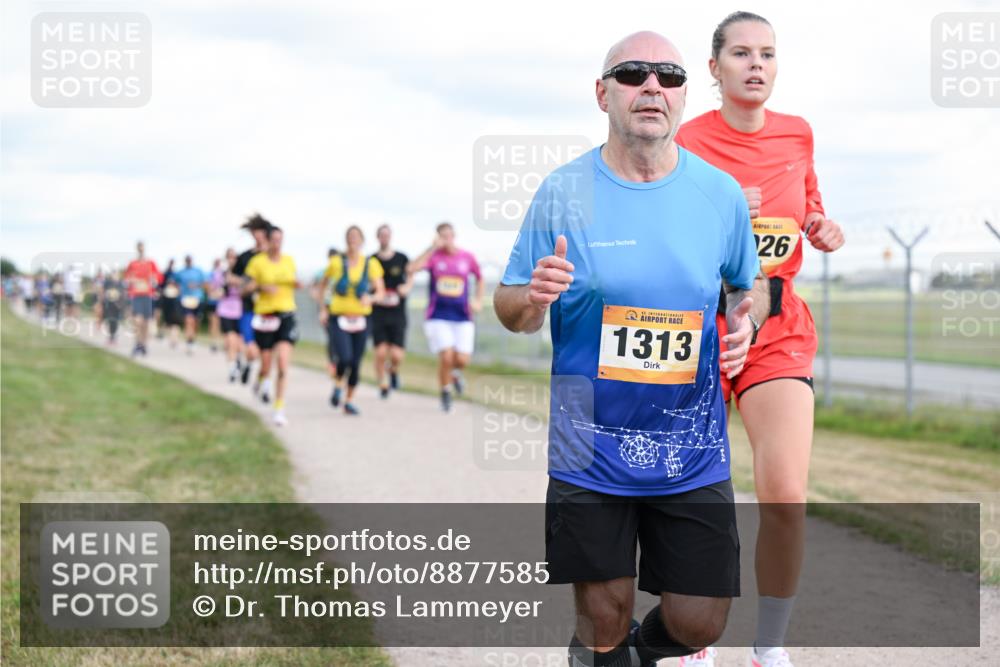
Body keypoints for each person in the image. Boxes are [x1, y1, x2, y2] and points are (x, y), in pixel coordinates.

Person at [493, 31, 769, 667]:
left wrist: (741, 323)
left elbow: (742, 284)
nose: (653, 86)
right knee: (604, 619)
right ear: (602, 93)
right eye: (634, 74)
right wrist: (534, 297)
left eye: (669, 76)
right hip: (588, 445)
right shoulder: (563, 192)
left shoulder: (719, 193)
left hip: (691, 446)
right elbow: (512, 312)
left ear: (682, 97)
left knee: (699, 622)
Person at [674, 12, 845, 667]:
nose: (757, 64)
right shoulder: (685, 141)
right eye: (741, 53)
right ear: (714, 70)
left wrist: (823, 227)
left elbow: (807, 212)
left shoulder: (798, 133)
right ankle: (693, 640)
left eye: (768, 54)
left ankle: (769, 646)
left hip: (776, 328)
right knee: (687, 492)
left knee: (785, 495)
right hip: (696, 331)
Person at [408, 222, 484, 412]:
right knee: (447, 356)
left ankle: (456, 375)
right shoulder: (434, 257)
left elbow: (480, 277)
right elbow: (411, 269)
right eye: (442, 236)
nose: (446, 239)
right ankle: (446, 391)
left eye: (448, 235)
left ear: (454, 235)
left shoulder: (467, 257)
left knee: (462, 360)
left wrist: (477, 300)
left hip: (462, 316)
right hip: (438, 315)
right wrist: (431, 248)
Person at [320, 226, 386, 415]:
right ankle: (338, 383)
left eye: (356, 237)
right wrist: (323, 309)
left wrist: (371, 298)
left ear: (362, 240)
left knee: (356, 362)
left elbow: (380, 291)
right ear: (346, 239)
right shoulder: (336, 262)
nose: (353, 240)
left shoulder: (371, 264)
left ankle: (348, 401)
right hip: (339, 317)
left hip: (361, 318)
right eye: (350, 237)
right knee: (344, 357)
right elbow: (323, 286)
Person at [244, 225, 300, 426]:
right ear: (267, 241)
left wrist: (297, 284)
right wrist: (260, 286)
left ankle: (279, 408)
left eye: (280, 240)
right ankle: (260, 382)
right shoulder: (257, 262)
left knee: (283, 363)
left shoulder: (289, 261)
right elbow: (246, 287)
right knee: (266, 363)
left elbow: (293, 282)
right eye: (274, 240)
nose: (277, 244)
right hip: (265, 316)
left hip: (286, 314)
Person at [370, 224, 413, 398]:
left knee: (396, 355)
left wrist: (407, 287)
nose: (384, 238)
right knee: (380, 352)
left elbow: (411, 273)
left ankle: (393, 370)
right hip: (379, 312)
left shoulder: (402, 258)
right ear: (377, 237)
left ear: (391, 237)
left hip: (397, 312)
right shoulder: (371, 260)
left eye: (387, 235)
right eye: (381, 235)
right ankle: (383, 384)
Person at [233, 214, 272, 384]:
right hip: (249, 306)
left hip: (270, 309)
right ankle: (248, 364)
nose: (257, 235)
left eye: (260, 231)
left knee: (266, 352)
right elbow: (231, 277)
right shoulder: (245, 257)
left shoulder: (274, 257)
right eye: (254, 232)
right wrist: (248, 284)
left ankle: (258, 377)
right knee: (251, 347)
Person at [123, 241, 163, 357]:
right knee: (137, 320)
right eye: (139, 248)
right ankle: (137, 343)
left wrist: (153, 280)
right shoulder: (132, 263)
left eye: (142, 248)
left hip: (148, 295)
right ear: (137, 249)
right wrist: (131, 281)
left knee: (146, 322)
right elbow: (126, 278)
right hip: (136, 295)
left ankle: (144, 345)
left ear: (144, 249)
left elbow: (159, 277)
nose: (141, 250)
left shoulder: (151, 263)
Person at [217, 248, 245, 382]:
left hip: (240, 310)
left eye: (234, 257)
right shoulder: (221, 274)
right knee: (230, 339)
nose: (232, 260)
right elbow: (214, 291)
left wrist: (237, 281)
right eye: (229, 257)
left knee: (239, 342)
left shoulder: (243, 274)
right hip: (225, 310)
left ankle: (237, 360)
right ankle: (232, 367)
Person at [175, 255, 208, 355]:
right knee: (189, 320)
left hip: (198, 299)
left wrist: (196, 285)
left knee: (196, 322)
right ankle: (189, 342)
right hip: (186, 300)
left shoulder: (199, 271)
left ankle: (193, 339)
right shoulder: (180, 272)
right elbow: (175, 283)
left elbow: (205, 284)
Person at [159, 259, 184, 348]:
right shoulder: (165, 275)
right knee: (169, 323)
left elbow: (180, 288)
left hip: (175, 304)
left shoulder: (176, 275)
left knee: (175, 323)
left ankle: (174, 339)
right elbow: (161, 287)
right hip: (168, 303)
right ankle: (171, 338)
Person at [100, 270, 128, 345]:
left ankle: (113, 337)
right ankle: (110, 337)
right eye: (114, 274)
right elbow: (103, 292)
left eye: (116, 275)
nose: (115, 276)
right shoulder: (108, 283)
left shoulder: (121, 284)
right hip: (109, 304)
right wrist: (102, 301)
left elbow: (124, 294)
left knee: (115, 321)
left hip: (117, 305)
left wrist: (122, 305)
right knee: (110, 320)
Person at [206, 257, 226, 353]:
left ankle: (218, 342)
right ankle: (213, 342)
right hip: (212, 301)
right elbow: (208, 286)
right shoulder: (211, 274)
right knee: (213, 323)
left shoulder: (223, 273)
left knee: (219, 323)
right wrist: (212, 292)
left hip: (222, 302)